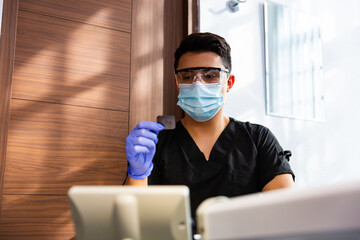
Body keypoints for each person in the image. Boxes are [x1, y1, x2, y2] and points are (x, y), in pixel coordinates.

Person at [124, 32, 295, 221]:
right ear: (177, 83)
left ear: (228, 83)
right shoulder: (156, 144)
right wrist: (137, 173)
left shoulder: (258, 139)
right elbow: (132, 219)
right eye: (188, 76)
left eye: (210, 76)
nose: (198, 84)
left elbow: (288, 213)